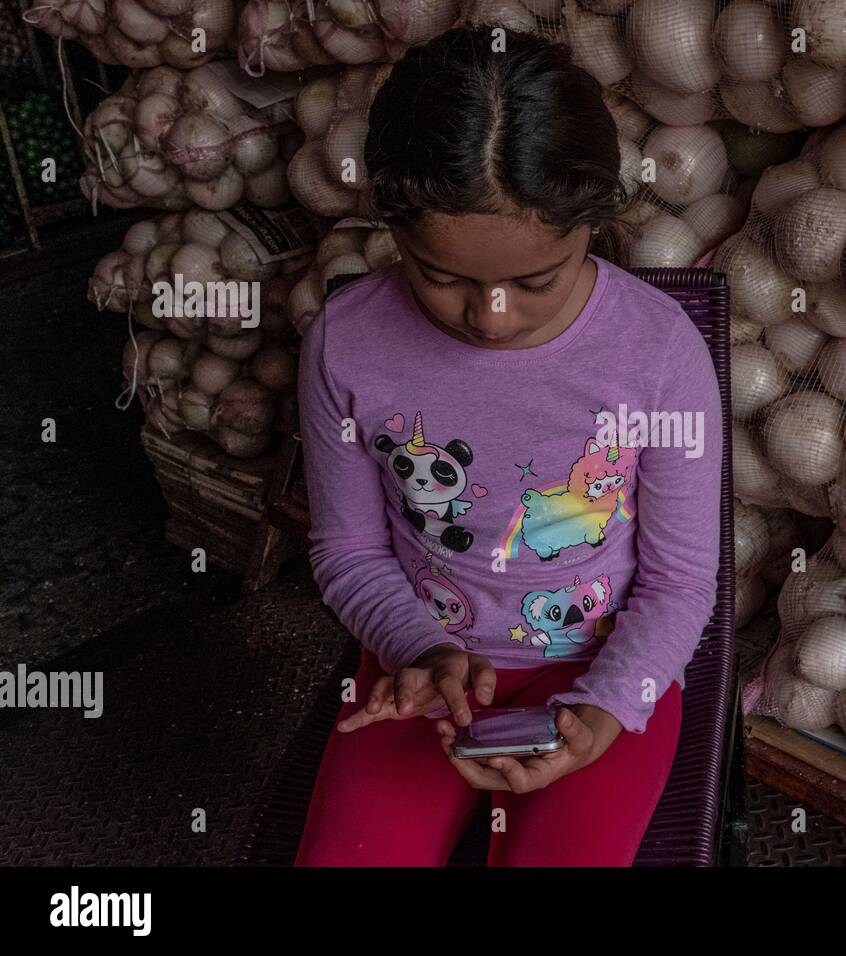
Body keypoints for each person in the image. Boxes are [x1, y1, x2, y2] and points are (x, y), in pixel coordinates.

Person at [293, 24, 724, 867]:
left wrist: (604, 709)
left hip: (604, 674)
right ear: (395, 230)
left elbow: (680, 582)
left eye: (535, 281)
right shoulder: (346, 342)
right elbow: (346, 550)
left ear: (592, 224)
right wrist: (422, 650)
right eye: (440, 276)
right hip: (420, 673)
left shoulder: (659, 351)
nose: (489, 317)